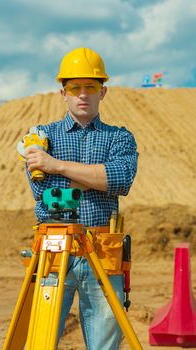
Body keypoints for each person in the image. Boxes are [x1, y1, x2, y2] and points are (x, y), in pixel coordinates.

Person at [25, 47, 138, 350]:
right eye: (75, 87)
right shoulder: (41, 135)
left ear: (104, 91)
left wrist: (55, 166)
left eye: (91, 87)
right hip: (54, 252)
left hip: (102, 251)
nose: (83, 94)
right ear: (63, 92)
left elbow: (120, 179)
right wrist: (94, 179)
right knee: (39, 343)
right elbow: (42, 194)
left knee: (104, 346)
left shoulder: (120, 138)